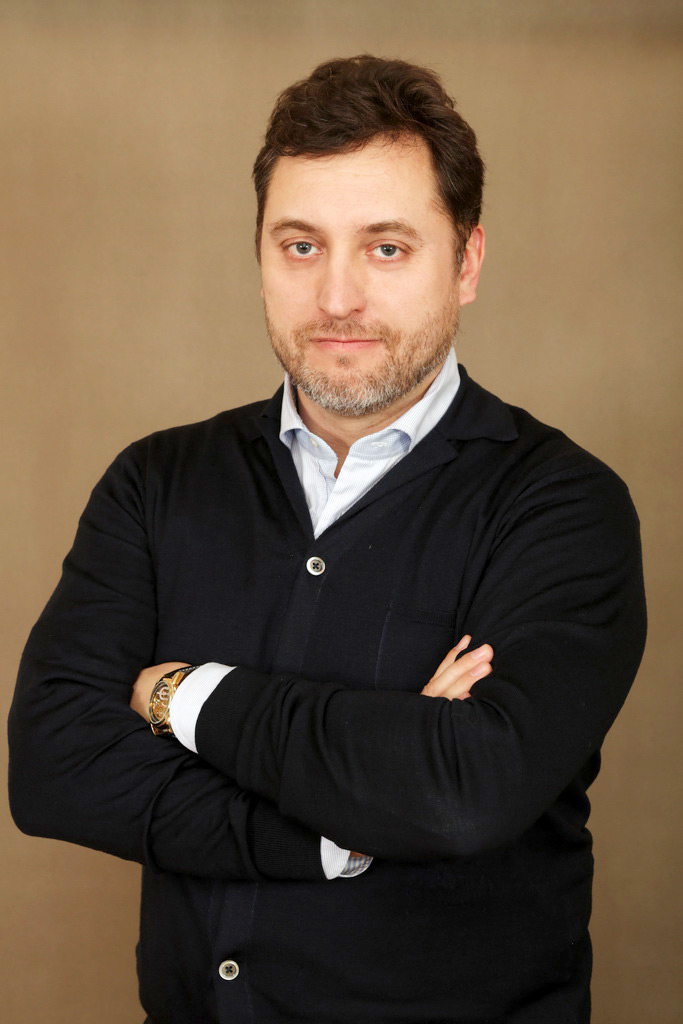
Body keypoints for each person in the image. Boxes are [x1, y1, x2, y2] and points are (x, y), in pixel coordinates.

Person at [9, 55, 646, 1024]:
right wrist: (330, 825)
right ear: (260, 255)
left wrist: (181, 695)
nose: (337, 296)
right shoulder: (157, 481)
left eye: (385, 248)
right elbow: (53, 768)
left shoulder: (560, 505)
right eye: (300, 246)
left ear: (466, 261)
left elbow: (462, 791)